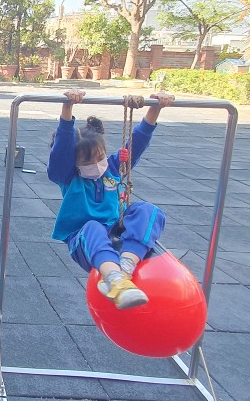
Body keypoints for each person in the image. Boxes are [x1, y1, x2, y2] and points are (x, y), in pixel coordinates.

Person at [48, 89, 175, 309]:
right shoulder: (68, 176)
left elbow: (138, 142)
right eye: (88, 162)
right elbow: (61, 151)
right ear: (74, 164)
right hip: (84, 240)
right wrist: (67, 108)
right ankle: (114, 279)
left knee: (148, 210)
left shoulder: (112, 169)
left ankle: (126, 263)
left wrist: (155, 108)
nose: (97, 165)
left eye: (100, 157)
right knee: (93, 227)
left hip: (116, 233)